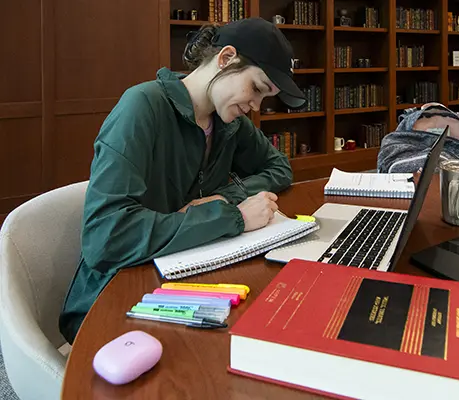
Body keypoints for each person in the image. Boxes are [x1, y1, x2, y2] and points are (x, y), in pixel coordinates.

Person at [59, 18, 306, 344]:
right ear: (226, 58)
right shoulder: (142, 107)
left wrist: (225, 197)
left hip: (190, 273)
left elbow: (279, 167)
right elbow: (107, 236)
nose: (257, 107)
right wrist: (232, 216)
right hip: (118, 294)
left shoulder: (228, 120)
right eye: (257, 88)